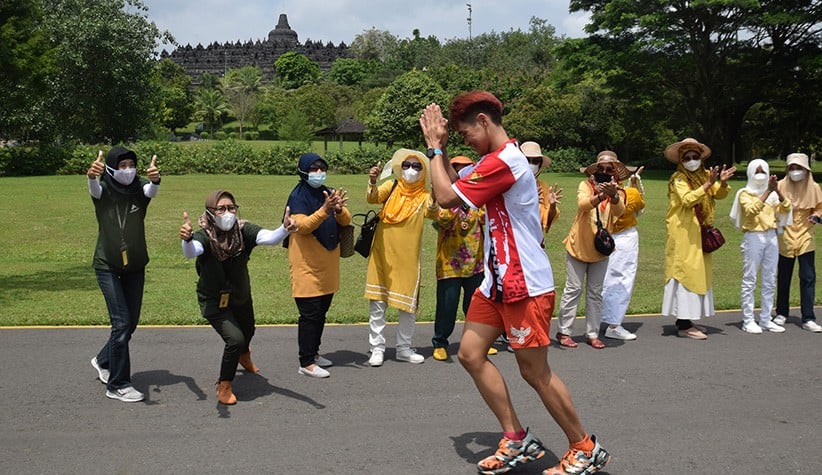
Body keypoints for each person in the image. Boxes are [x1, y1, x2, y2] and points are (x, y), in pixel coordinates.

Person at [420, 92, 610, 475]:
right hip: (496, 281)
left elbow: (443, 196)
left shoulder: (506, 162)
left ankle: (583, 446)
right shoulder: (492, 162)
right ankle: (516, 439)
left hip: (524, 283)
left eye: (466, 132)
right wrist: (439, 154)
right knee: (471, 354)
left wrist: (434, 148)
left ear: (484, 122)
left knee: (534, 372)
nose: (465, 140)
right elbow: (454, 193)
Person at [179, 191, 296, 405]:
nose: (227, 213)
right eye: (221, 209)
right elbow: (191, 251)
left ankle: (244, 355)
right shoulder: (204, 235)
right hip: (214, 300)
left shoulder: (242, 231)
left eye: (231, 208)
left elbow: (267, 238)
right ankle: (224, 384)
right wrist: (186, 239)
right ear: (211, 213)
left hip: (240, 295)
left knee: (249, 330)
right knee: (235, 339)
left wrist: (284, 229)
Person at [87, 147, 160, 403]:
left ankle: (103, 359)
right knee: (120, 324)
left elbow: (150, 191)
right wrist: (91, 176)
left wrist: (155, 180)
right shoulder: (104, 189)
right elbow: (94, 189)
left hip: (135, 264)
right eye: (122, 165)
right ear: (110, 168)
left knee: (130, 324)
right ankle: (118, 384)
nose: (127, 169)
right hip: (108, 264)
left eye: (131, 164)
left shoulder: (138, 189)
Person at [364, 149, 438, 367]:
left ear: (424, 171)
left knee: (407, 306)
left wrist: (434, 194)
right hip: (382, 255)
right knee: (377, 304)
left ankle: (403, 348)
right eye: (406, 166)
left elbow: (433, 212)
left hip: (407, 258)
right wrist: (373, 180)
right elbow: (372, 198)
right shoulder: (392, 186)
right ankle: (376, 348)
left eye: (417, 167)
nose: (411, 170)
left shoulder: (424, 196)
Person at [661, 138, 736, 340]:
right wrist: (709, 183)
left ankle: (686, 319)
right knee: (685, 273)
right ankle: (684, 324)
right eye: (687, 157)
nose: (692, 160)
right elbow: (687, 200)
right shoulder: (678, 178)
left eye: (695, 157)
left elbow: (717, 195)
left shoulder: (704, 175)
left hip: (699, 232)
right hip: (683, 233)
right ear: (681, 160)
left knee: (698, 273)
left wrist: (722, 182)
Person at [285, 153, 351, 378]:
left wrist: (339, 209)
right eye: (313, 168)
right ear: (303, 171)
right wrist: (325, 210)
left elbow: (347, 221)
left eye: (322, 167)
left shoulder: (329, 192)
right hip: (306, 266)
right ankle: (305, 362)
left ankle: (313, 353)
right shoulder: (297, 196)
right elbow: (302, 226)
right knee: (310, 314)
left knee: (321, 311)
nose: (319, 172)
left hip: (328, 265)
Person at [556, 151, 627, 349]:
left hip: (600, 250)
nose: (604, 172)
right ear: (595, 170)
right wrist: (601, 195)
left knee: (595, 292)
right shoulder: (585, 185)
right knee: (573, 289)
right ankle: (564, 331)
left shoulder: (618, 191)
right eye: (601, 169)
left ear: (614, 173)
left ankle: (592, 333)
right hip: (578, 246)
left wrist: (612, 195)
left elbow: (620, 212)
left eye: (609, 169)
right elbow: (583, 204)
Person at [431, 155, 495, 361]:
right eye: (458, 169)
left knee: (475, 307)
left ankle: (478, 342)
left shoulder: (479, 200)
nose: (462, 173)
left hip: (475, 264)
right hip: (450, 265)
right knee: (447, 307)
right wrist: (459, 200)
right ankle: (440, 342)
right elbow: (443, 220)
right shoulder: (445, 200)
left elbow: (488, 218)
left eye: (467, 169)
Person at [729, 159, 792, 334]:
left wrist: (777, 191)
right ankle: (748, 319)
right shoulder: (744, 193)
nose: (760, 174)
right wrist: (766, 193)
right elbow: (750, 211)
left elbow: (786, 208)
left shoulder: (773, 194)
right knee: (750, 279)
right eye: (756, 170)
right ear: (749, 172)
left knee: (770, 279)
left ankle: (765, 318)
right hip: (754, 236)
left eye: (763, 171)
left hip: (771, 235)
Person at [774, 152, 822, 332]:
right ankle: (781, 312)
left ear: (806, 170)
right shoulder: (779, 185)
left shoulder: (814, 187)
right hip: (785, 235)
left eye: (799, 168)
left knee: (808, 277)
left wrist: (816, 216)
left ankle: (808, 317)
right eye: (792, 168)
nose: (795, 172)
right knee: (784, 276)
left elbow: (819, 208)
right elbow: (772, 207)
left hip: (805, 234)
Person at [601, 165, 646, 341]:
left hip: (610, 238)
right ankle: (611, 324)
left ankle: (610, 322)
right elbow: (638, 205)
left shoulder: (597, 193)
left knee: (613, 280)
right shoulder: (628, 194)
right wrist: (632, 187)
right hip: (615, 237)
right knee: (617, 280)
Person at [521, 141, 562, 234]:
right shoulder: (509, 185)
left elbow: (546, 220)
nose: (531, 164)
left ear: (540, 165)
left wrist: (552, 206)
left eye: (535, 161)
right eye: (527, 160)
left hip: (535, 237)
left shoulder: (544, 187)